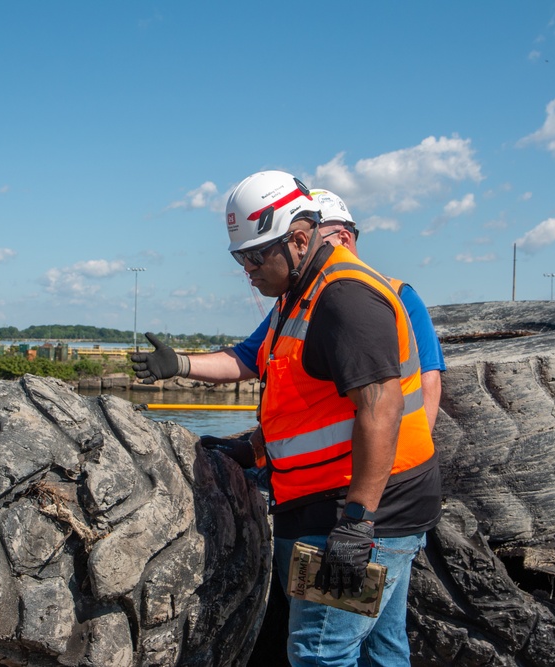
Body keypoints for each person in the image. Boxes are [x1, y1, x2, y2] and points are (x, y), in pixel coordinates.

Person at [160, 170, 441, 666]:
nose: (247, 270)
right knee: (381, 647)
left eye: (255, 255)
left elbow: (382, 406)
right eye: (239, 258)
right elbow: (303, 406)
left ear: (299, 237)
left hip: (357, 514)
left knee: (319, 651)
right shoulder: (299, 295)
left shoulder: (344, 298)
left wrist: (357, 524)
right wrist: (247, 444)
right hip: (343, 505)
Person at [131, 189, 446, 431]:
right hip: (310, 482)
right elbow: (245, 358)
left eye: (317, 238)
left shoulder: (397, 296)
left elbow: (426, 383)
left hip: (370, 483)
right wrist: (180, 363)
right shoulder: (293, 303)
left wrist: (408, 467)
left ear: (344, 239)